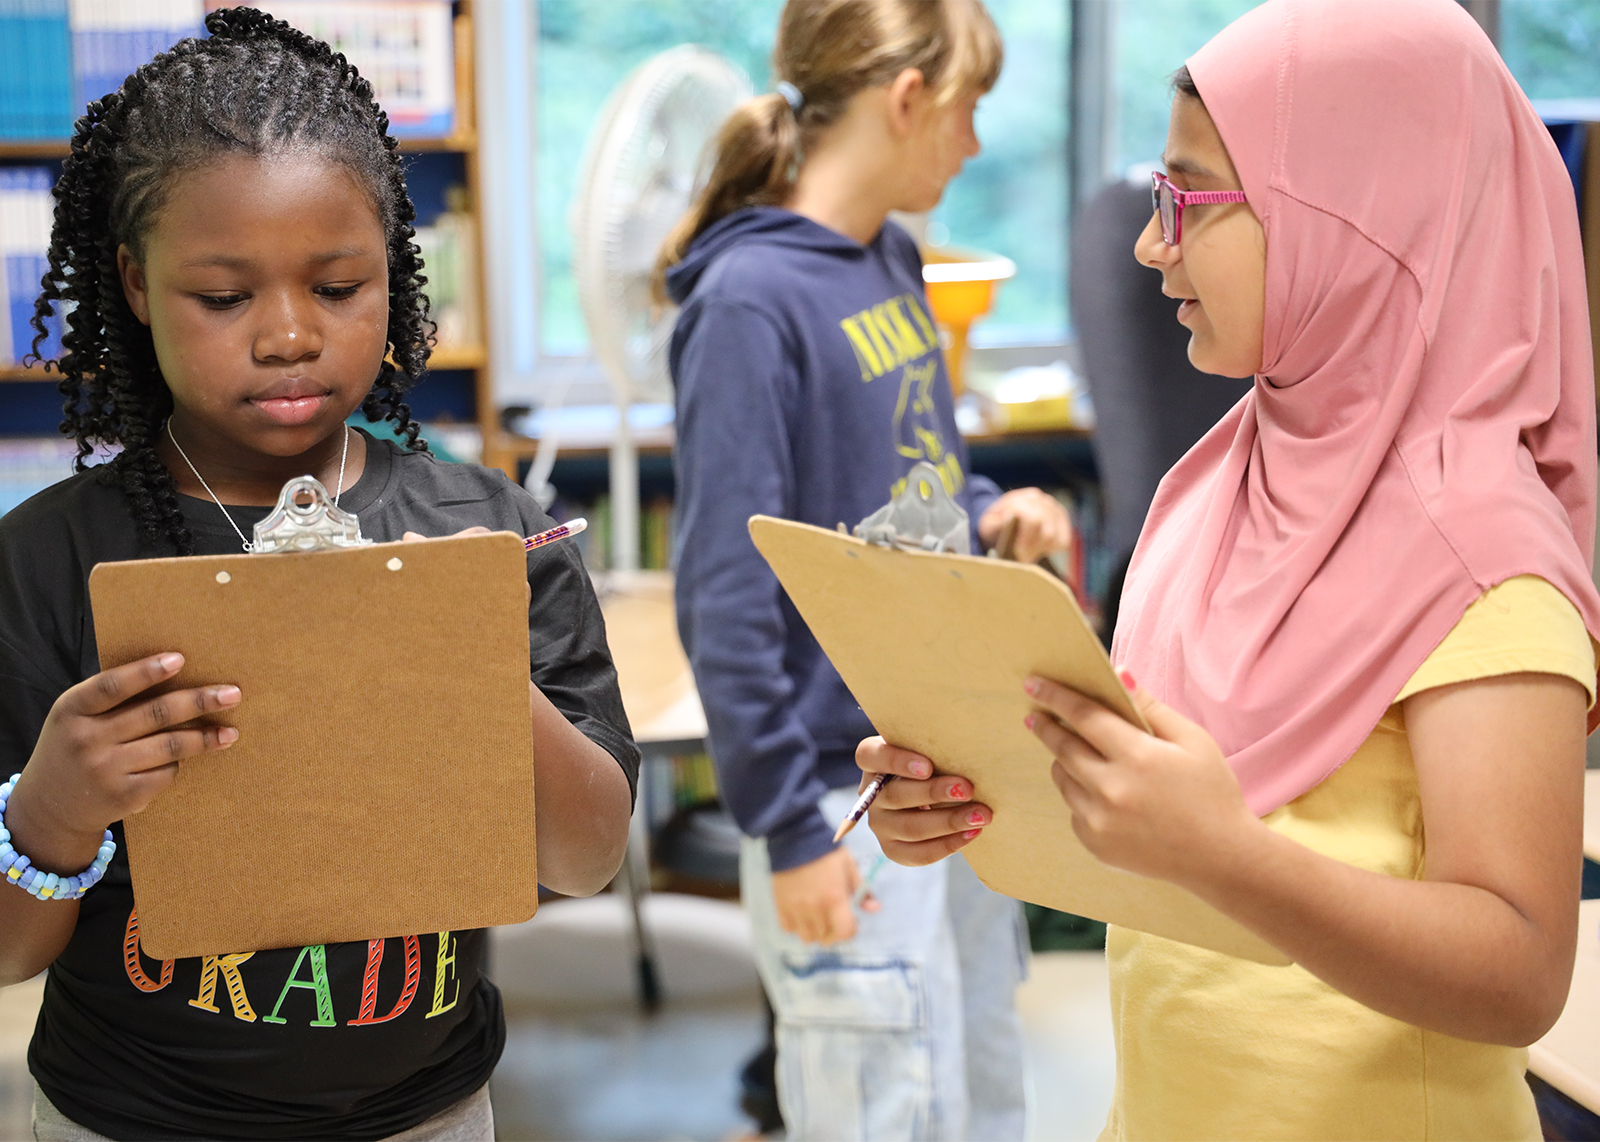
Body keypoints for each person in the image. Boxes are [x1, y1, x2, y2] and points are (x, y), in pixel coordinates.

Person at [857, 0, 1600, 1138]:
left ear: (1353, 218)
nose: (1154, 243)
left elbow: (1519, 970)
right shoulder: (1211, 486)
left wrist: (1225, 854)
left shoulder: (1488, 561)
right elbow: (1172, 804)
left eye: (1190, 198)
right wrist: (979, 781)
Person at [0, 9, 638, 1140]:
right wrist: (56, 806)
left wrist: (465, 662)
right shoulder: (47, 558)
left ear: (393, 272)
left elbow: (585, 858)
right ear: (137, 287)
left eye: (338, 286)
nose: (289, 334)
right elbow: (10, 950)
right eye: (224, 296)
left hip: (428, 1111)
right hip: (130, 1118)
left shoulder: (490, 533)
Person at [655, 1, 1072, 1137]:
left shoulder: (887, 256)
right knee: (883, 1108)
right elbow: (724, 594)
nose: (974, 144)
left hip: (955, 767)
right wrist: (788, 828)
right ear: (906, 100)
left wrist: (996, 515)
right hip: (843, 800)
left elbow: (916, 481)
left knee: (979, 1084)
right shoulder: (747, 305)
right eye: (968, 110)